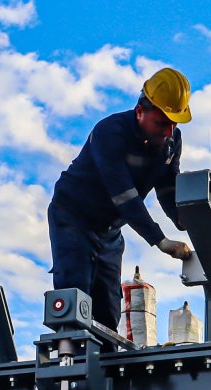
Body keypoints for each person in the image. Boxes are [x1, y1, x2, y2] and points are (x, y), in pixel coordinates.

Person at [49, 68, 195, 330]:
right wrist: (160, 240)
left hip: (110, 231)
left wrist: (185, 219)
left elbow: (167, 186)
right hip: (73, 219)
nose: (168, 131)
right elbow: (123, 195)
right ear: (140, 112)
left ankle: (105, 355)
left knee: (107, 313)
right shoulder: (109, 132)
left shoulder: (172, 141)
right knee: (75, 301)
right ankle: (69, 351)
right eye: (162, 123)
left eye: (174, 123)